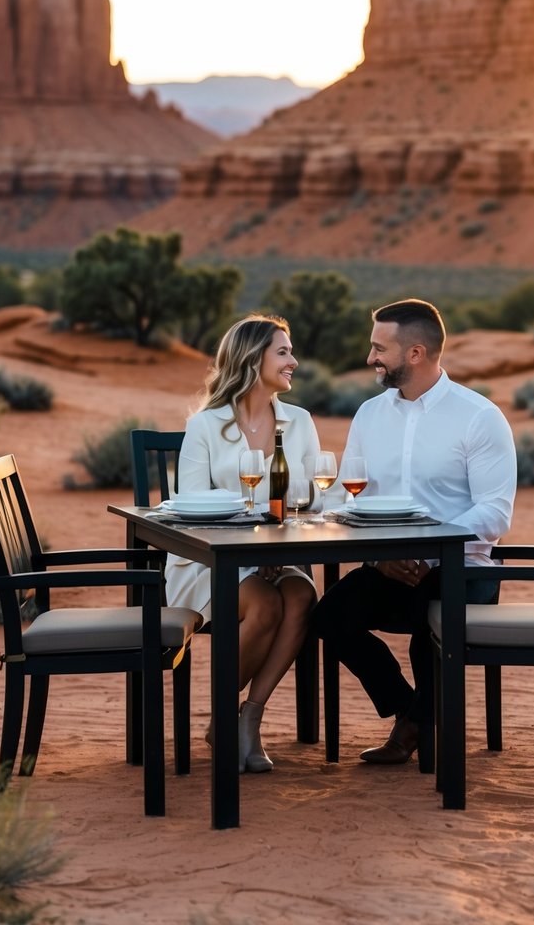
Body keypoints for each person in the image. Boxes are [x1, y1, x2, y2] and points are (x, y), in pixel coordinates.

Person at [312, 298, 516, 765]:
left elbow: (495, 512)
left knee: (431, 619)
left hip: (461, 570)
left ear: (416, 353)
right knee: (330, 617)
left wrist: (427, 552)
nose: (370, 359)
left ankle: (416, 733)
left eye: (379, 348)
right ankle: (412, 712)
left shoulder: (479, 417)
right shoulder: (369, 415)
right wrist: (381, 556)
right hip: (390, 567)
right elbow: (350, 497)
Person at [170, 314, 320, 773]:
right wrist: (260, 513)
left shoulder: (300, 421)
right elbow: (191, 499)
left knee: (302, 595)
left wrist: (274, 544)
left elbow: (319, 495)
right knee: (266, 606)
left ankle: (246, 717)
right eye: (283, 352)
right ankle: (226, 716)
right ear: (252, 359)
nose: (293, 361)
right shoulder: (206, 426)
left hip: (277, 556)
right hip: (207, 562)